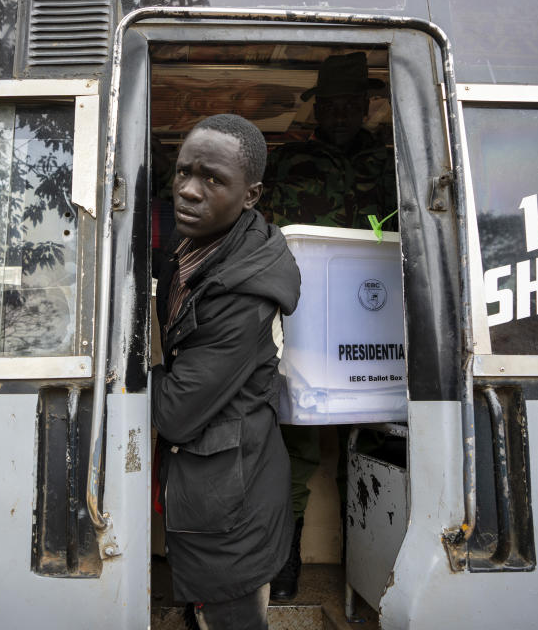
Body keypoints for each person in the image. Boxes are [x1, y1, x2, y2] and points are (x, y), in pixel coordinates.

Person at [151, 113, 301, 630]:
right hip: (216, 485)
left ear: (252, 195)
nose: (189, 191)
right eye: (183, 172)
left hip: (230, 504)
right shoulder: (203, 245)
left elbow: (175, 413)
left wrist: (130, 368)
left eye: (213, 180)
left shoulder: (243, 292)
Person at [258, 51, 397, 601]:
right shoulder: (290, 160)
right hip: (306, 323)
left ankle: (366, 561)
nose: (340, 113)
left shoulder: (389, 162)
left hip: (376, 325)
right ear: (319, 108)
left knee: (373, 445)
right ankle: (288, 561)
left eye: (350, 104)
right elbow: (265, 235)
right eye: (331, 104)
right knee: (298, 444)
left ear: (366, 106)